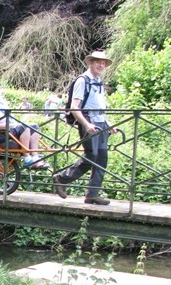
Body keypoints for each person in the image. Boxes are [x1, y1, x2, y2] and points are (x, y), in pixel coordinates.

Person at [53, 51, 116, 205]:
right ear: (90, 63)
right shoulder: (83, 81)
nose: (101, 65)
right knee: (91, 156)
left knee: (101, 158)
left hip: (100, 122)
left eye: (103, 63)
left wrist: (108, 124)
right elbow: (75, 107)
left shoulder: (99, 82)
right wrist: (86, 124)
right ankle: (61, 178)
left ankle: (92, 194)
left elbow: (100, 107)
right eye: (98, 62)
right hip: (87, 121)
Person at [0, 79, 48, 169]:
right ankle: (27, 159)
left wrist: (13, 124)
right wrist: (7, 126)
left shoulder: (1, 101)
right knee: (23, 127)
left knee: (34, 126)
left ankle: (35, 158)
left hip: (10, 129)